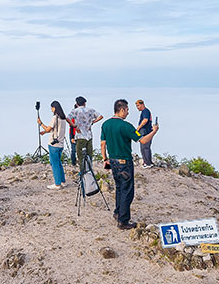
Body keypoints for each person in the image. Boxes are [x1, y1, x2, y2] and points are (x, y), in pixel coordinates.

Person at [101, 99, 159, 229]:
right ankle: (123, 220)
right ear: (121, 109)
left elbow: (103, 143)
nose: (127, 112)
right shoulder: (126, 126)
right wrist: (154, 131)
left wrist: (105, 159)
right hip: (124, 162)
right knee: (127, 191)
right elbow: (143, 140)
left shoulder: (106, 124)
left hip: (113, 161)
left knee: (119, 188)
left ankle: (117, 212)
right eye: (127, 110)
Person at [68, 96, 103, 177]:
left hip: (80, 136)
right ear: (85, 103)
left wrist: (74, 126)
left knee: (80, 156)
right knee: (89, 154)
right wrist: (93, 122)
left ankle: (82, 172)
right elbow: (100, 116)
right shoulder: (90, 110)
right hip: (89, 135)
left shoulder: (75, 111)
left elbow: (67, 118)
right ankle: (89, 170)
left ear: (76, 104)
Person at [38, 101, 69, 190]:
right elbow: (56, 130)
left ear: (54, 108)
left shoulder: (55, 118)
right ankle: (62, 181)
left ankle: (57, 184)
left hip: (53, 145)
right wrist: (45, 132)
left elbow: (48, 129)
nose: (51, 110)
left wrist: (40, 124)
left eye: (51, 108)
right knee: (58, 163)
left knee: (54, 164)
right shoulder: (63, 118)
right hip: (60, 144)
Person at [134, 99, 154, 167]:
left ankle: (147, 163)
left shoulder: (145, 111)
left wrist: (138, 128)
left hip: (145, 131)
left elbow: (145, 120)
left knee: (144, 147)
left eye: (138, 105)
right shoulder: (145, 111)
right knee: (146, 147)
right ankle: (148, 162)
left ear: (142, 104)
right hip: (146, 131)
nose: (137, 107)